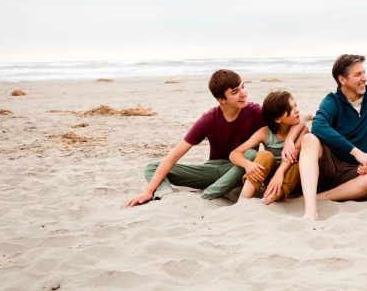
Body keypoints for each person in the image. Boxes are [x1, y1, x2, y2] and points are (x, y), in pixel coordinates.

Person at [125, 69, 299, 207]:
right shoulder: (208, 120)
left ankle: (208, 196)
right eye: (235, 92)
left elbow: (297, 119)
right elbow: (175, 155)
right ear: (221, 99)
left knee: (251, 155)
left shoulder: (256, 112)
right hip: (214, 170)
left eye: (243, 87)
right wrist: (149, 190)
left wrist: (290, 140)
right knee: (151, 167)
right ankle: (164, 195)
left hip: (244, 169)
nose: (243, 94)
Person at [298, 54, 367, 221]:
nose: (365, 78)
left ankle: (319, 197)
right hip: (330, 166)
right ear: (342, 79)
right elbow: (318, 125)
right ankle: (311, 211)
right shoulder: (332, 101)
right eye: (358, 75)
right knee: (309, 139)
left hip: (358, 173)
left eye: (364, 72)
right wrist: (355, 152)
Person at [231, 90, 307, 204]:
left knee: (298, 161)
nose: (297, 110)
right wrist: (247, 164)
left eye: (295, 105)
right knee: (264, 155)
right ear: (277, 119)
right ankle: (243, 200)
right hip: (271, 181)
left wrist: (279, 174)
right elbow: (234, 153)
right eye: (291, 109)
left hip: (293, 181)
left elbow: (294, 153)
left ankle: (265, 202)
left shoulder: (302, 130)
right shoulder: (265, 133)